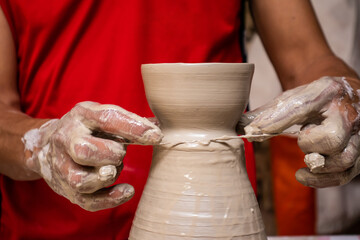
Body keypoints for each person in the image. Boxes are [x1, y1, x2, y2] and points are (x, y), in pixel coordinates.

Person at [0, 0, 359, 239]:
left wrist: (349, 95)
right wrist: (43, 144)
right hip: (49, 224)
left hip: (221, 217)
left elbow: (308, 60)